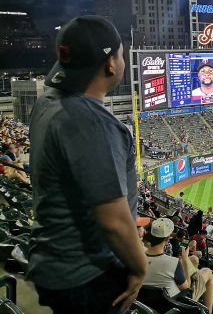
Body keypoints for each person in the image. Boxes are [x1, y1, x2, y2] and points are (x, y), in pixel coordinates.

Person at [27, 16, 148, 314]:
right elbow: (115, 223)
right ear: (110, 64)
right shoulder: (92, 124)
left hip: (54, 259)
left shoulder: (47, 102)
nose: (122, 60)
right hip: (86, 276)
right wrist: (139, 268)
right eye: (121, 53)